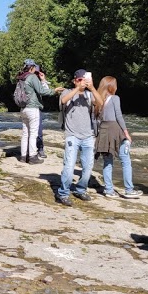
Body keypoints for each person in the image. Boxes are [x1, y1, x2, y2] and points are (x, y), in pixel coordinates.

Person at [56, 69, 101, 206]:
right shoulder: (67, 92)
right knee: (69, 166)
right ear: (74, 80)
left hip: (88, 136)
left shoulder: (89, 95)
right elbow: (63, 101)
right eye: (79, 80)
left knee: (87, 168)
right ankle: (63, 193)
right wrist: (77, 89)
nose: (82, 82)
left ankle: (81, 189)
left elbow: (101, 102)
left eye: (84, 80)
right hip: (72, 136)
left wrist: (92, 87)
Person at [94, 76, 141, 199]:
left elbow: (96, 120)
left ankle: (109, 190)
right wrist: (126, 133)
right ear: (111, 86)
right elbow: (119, 116)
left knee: (107, 162)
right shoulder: (115, 98)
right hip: (115, 130)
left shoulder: (98, 101)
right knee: (125, 160)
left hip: (103, 131)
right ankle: (129, 190)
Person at [17, 61, 55, 164]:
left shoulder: (21, 77)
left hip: (23, 108)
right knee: (33, 133)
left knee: (25, 133)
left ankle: (23, 157)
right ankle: (33, 157)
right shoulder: (32, 77)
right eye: (34, 67)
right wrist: (54, 91)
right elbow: (41, 91)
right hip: (32, 108)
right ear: (32, 67)